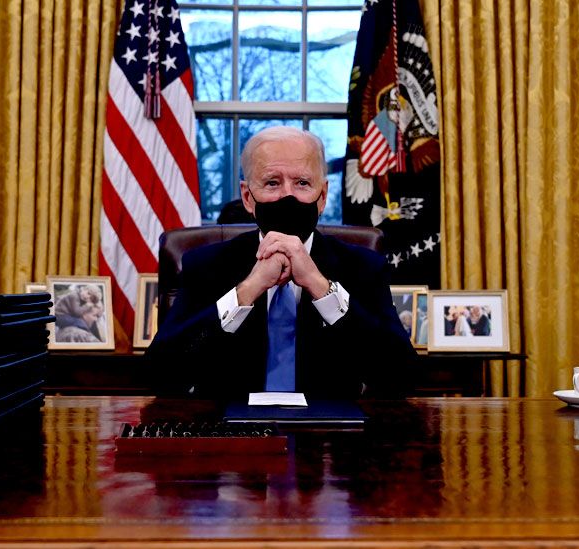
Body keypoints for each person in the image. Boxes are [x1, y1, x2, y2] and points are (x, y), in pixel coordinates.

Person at [146, 126, 416, 397]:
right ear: (248, 197)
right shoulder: (205, 266)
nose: (288, 196)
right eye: (272, 183)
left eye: (302, 183)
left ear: (322, 197)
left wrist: (320, 286)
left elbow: (401, 376)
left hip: (328, 432)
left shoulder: (363, 267)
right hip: (234, 432)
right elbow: (159, 375)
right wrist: (247, 290)